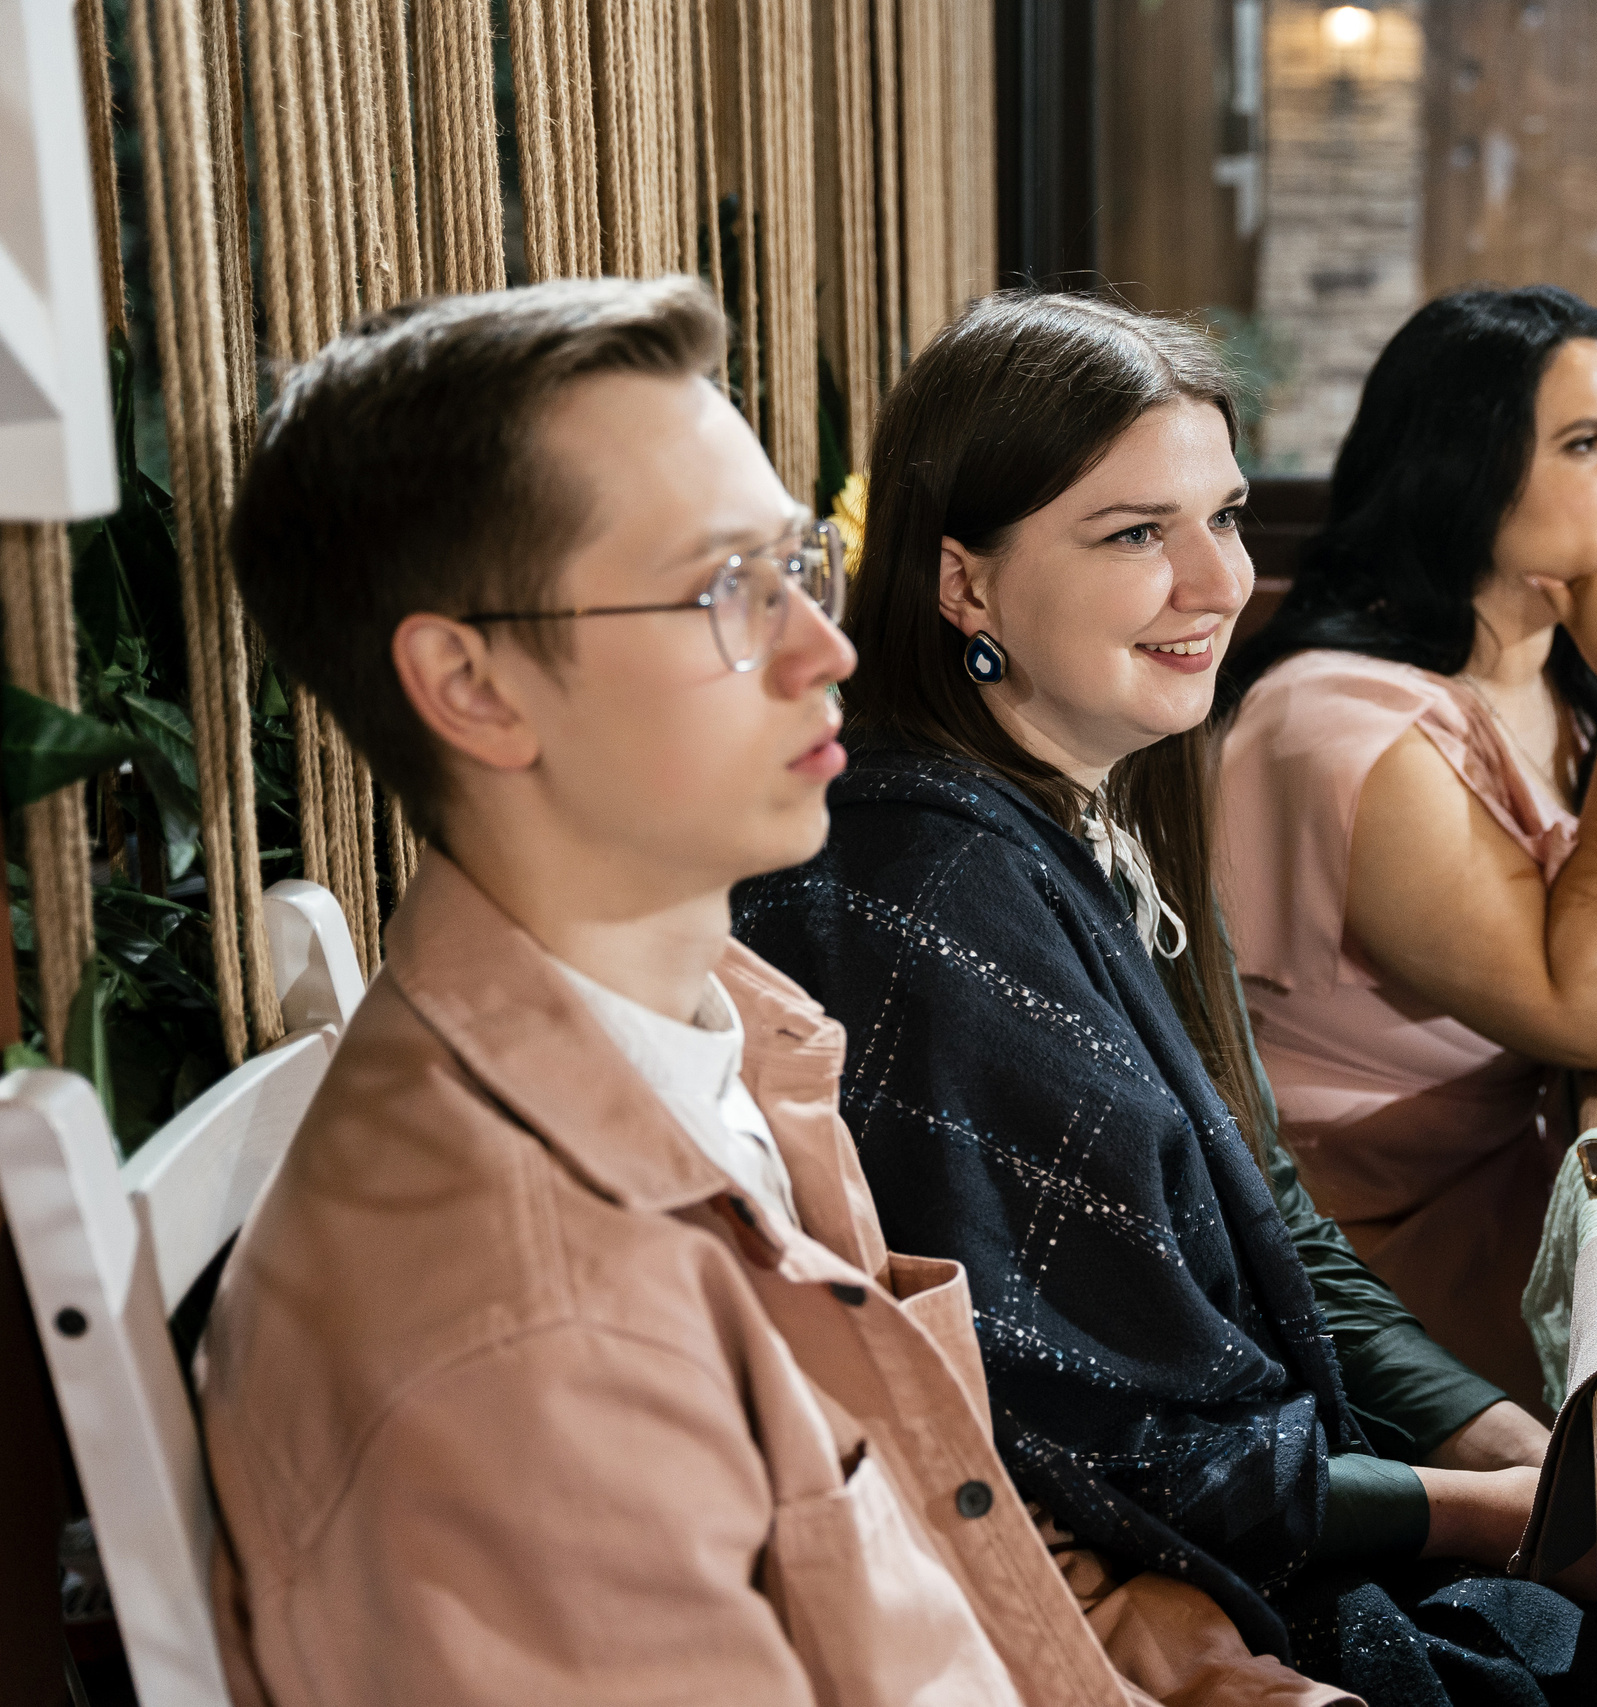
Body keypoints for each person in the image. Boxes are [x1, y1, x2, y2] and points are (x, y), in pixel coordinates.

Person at [206, 276, 1346, 1706]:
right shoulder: (536, 1346)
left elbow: (934, 1550)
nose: (828, 648)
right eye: (720, 591)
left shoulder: (737, 1039)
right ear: (474, 685)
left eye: (792, 566)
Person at [731, 290, 1596, 1707]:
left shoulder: (1093, 812)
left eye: (1228, 516)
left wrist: (1502, 1434)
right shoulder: (930, 897)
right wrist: (1497, 1509)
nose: (1217, 579)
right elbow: (1107, 1448)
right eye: (1136, 532)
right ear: (966, 585)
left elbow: (1280, 1214)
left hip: (1277, 1522)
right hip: (1167, 1611)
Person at [1213, 287, 1597, 1411]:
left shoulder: (1547, 668)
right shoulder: (1341, 728)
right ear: (1461, 469)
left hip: (1528, 1182)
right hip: (1367, 1278)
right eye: (1587, 445)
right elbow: (1585, 1011)